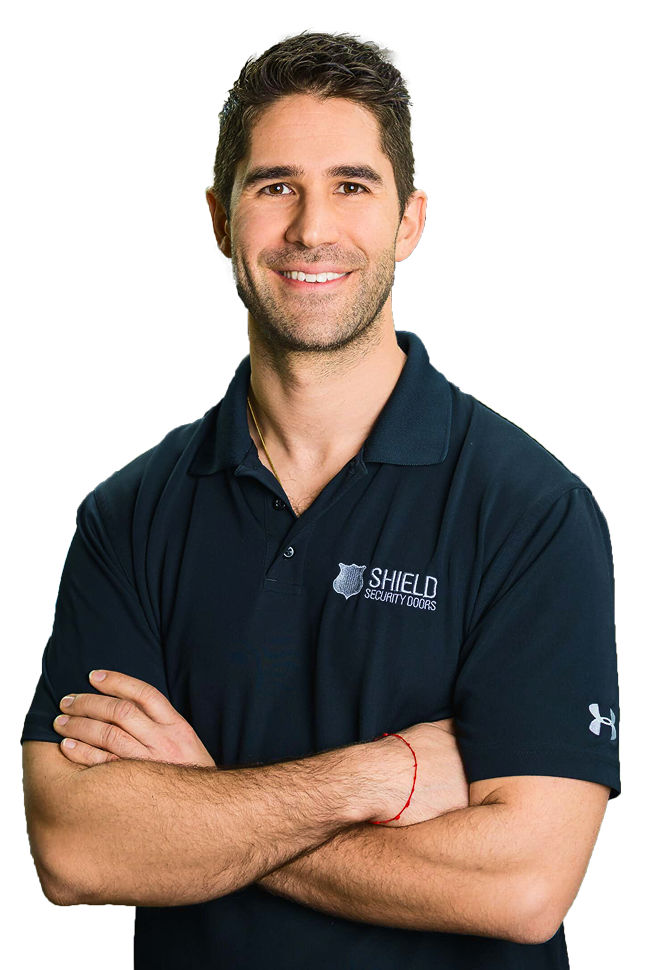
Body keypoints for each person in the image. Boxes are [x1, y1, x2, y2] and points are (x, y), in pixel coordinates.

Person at [22, 29, 620, 969]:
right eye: (275, 187)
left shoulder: (527, 508)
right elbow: (77, 848)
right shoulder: (129, 513)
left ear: (409, 222)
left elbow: (524, 888)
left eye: (352, 185)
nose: (311, 229)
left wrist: (204, 806)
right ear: (220, 219)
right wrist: (374, 776)